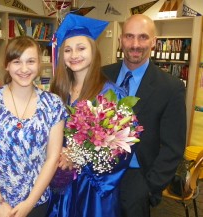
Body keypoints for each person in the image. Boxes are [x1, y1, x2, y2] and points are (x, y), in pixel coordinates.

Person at [46, 13, 133, 217]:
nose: (74, 55)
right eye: (67, 50)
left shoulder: (111, 94)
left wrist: (77, 158)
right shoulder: (57, 91)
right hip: (60, 183)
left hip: (92, 190)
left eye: (81, 48)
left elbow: (123, 148)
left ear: (93, 51)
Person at [102, 14, 186, 217]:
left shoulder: (171, 87)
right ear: (121, 39)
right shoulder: (101, 75)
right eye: (129, 36)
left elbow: (173, 147)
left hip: (137, 178)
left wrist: (150, 187)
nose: (135, 44)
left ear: (154, 42)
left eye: (143, 37)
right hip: (99, 176)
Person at [0, 35, 67, 217]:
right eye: (17, 61)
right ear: (7, 65)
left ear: (39, 64)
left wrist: (29, 204)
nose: (24, 69)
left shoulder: (53, 104)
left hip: (35, 202)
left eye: (30, 61)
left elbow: (52, 158)